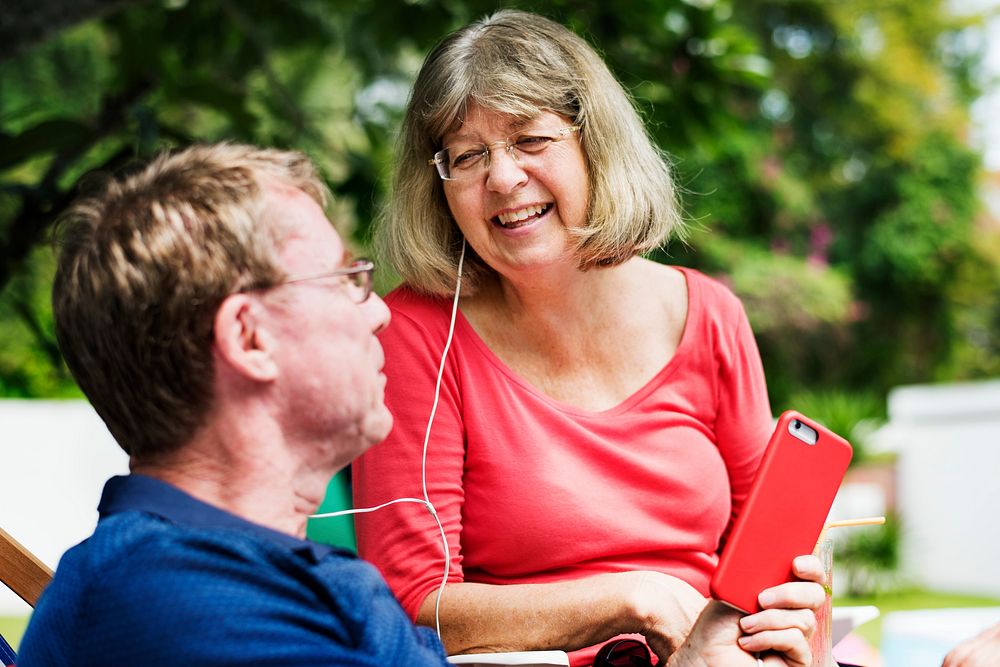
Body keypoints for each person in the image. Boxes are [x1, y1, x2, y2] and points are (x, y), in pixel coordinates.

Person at [16, 142, 822, 667]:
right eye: (345, 281)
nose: (380, 311)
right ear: (250, 338)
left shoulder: (240, 579)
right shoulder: (199, 617)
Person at [352, 8, 821, 667]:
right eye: (467, 155)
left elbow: (769, 553)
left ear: (592, 142)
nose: (504, 178)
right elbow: (411, 602)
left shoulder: (709, 313)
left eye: (531, 139)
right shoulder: (417, 332)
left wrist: (793, 627)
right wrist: (634, 599)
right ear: (440, 184)